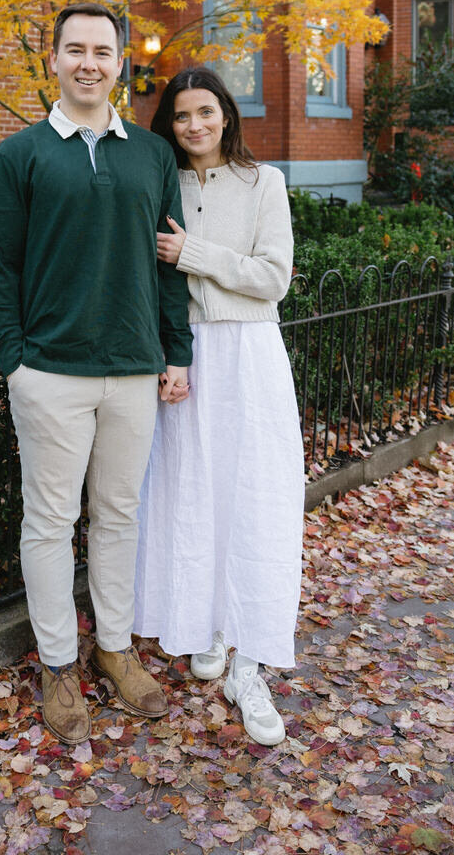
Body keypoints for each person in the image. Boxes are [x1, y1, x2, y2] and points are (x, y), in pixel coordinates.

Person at [0, 2, 193, 745]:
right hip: (51, 376)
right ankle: (59, 665)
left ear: (122, 62)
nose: (90, 62)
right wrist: (16, 361)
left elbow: (169, 265)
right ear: (55, 61)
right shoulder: (22, 154)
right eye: (76, 49)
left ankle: (114, 649)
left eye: (103, 50)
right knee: (49, 522)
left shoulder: (151, 156)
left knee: (120, 516)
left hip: (133, 370)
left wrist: (177, 350)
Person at [134, 66, 304, 746]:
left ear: (226, 115)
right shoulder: (160, 182)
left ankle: (250, 664)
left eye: (206, 111)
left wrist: (193, 253)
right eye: (181, 115)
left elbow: (273, 279)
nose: (195, 125)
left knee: (254, 498)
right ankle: (204, 624)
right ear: (169, 124)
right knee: (187, 492)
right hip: (185, 355)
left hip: (250, 353)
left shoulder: (265, 183)